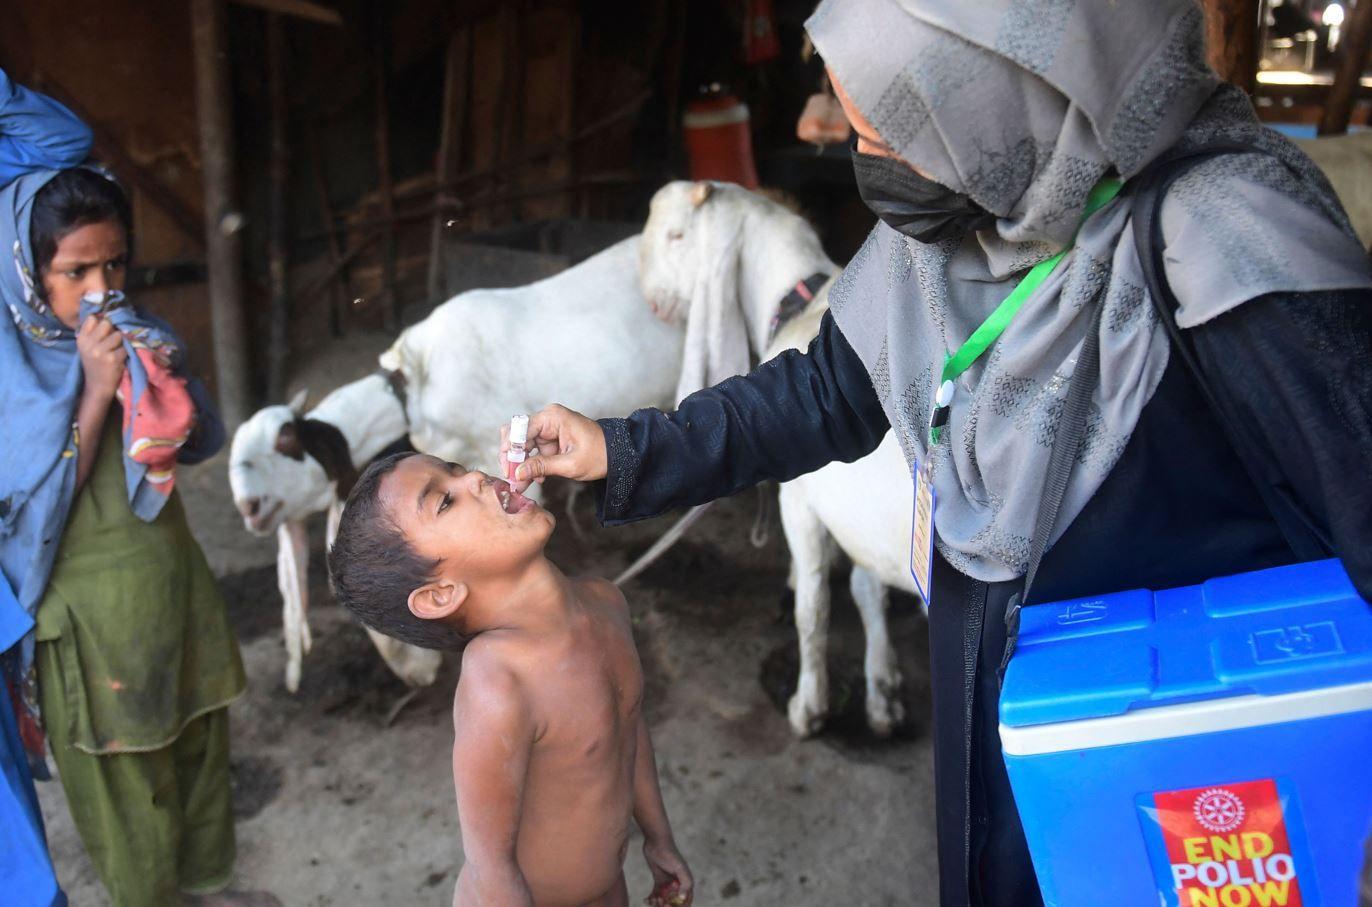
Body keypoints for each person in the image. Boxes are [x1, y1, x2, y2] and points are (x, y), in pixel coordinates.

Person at [500, 2, 1372, 906]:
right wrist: (625, 446)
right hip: (1003, 710)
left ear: (1001, 95)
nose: (863, 154)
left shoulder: (1230, 237)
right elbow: (823, 390)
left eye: (887, 123)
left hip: (1200, 761)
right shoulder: (951, 226)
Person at [0, 73, 277, 907]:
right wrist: (91, 392)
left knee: (196, 756)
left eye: (115, 262)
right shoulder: (11, 381)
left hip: (172, 588)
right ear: (24, 269)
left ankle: (206, 889)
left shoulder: (134, 330)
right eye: (74, 270)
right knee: (124, 802)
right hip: (86, 627)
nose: (100, 289)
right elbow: (29, 522)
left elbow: (193, 446)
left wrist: (164, 380)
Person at [328, 452, 694, 907]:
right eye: (445, 501)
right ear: (441, 593)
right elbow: (491, 867)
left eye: (459, 471)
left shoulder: (606, 602)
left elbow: (628, 727)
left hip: (607, 888)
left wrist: (658, 838)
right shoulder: (499, 681)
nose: (477, 479)